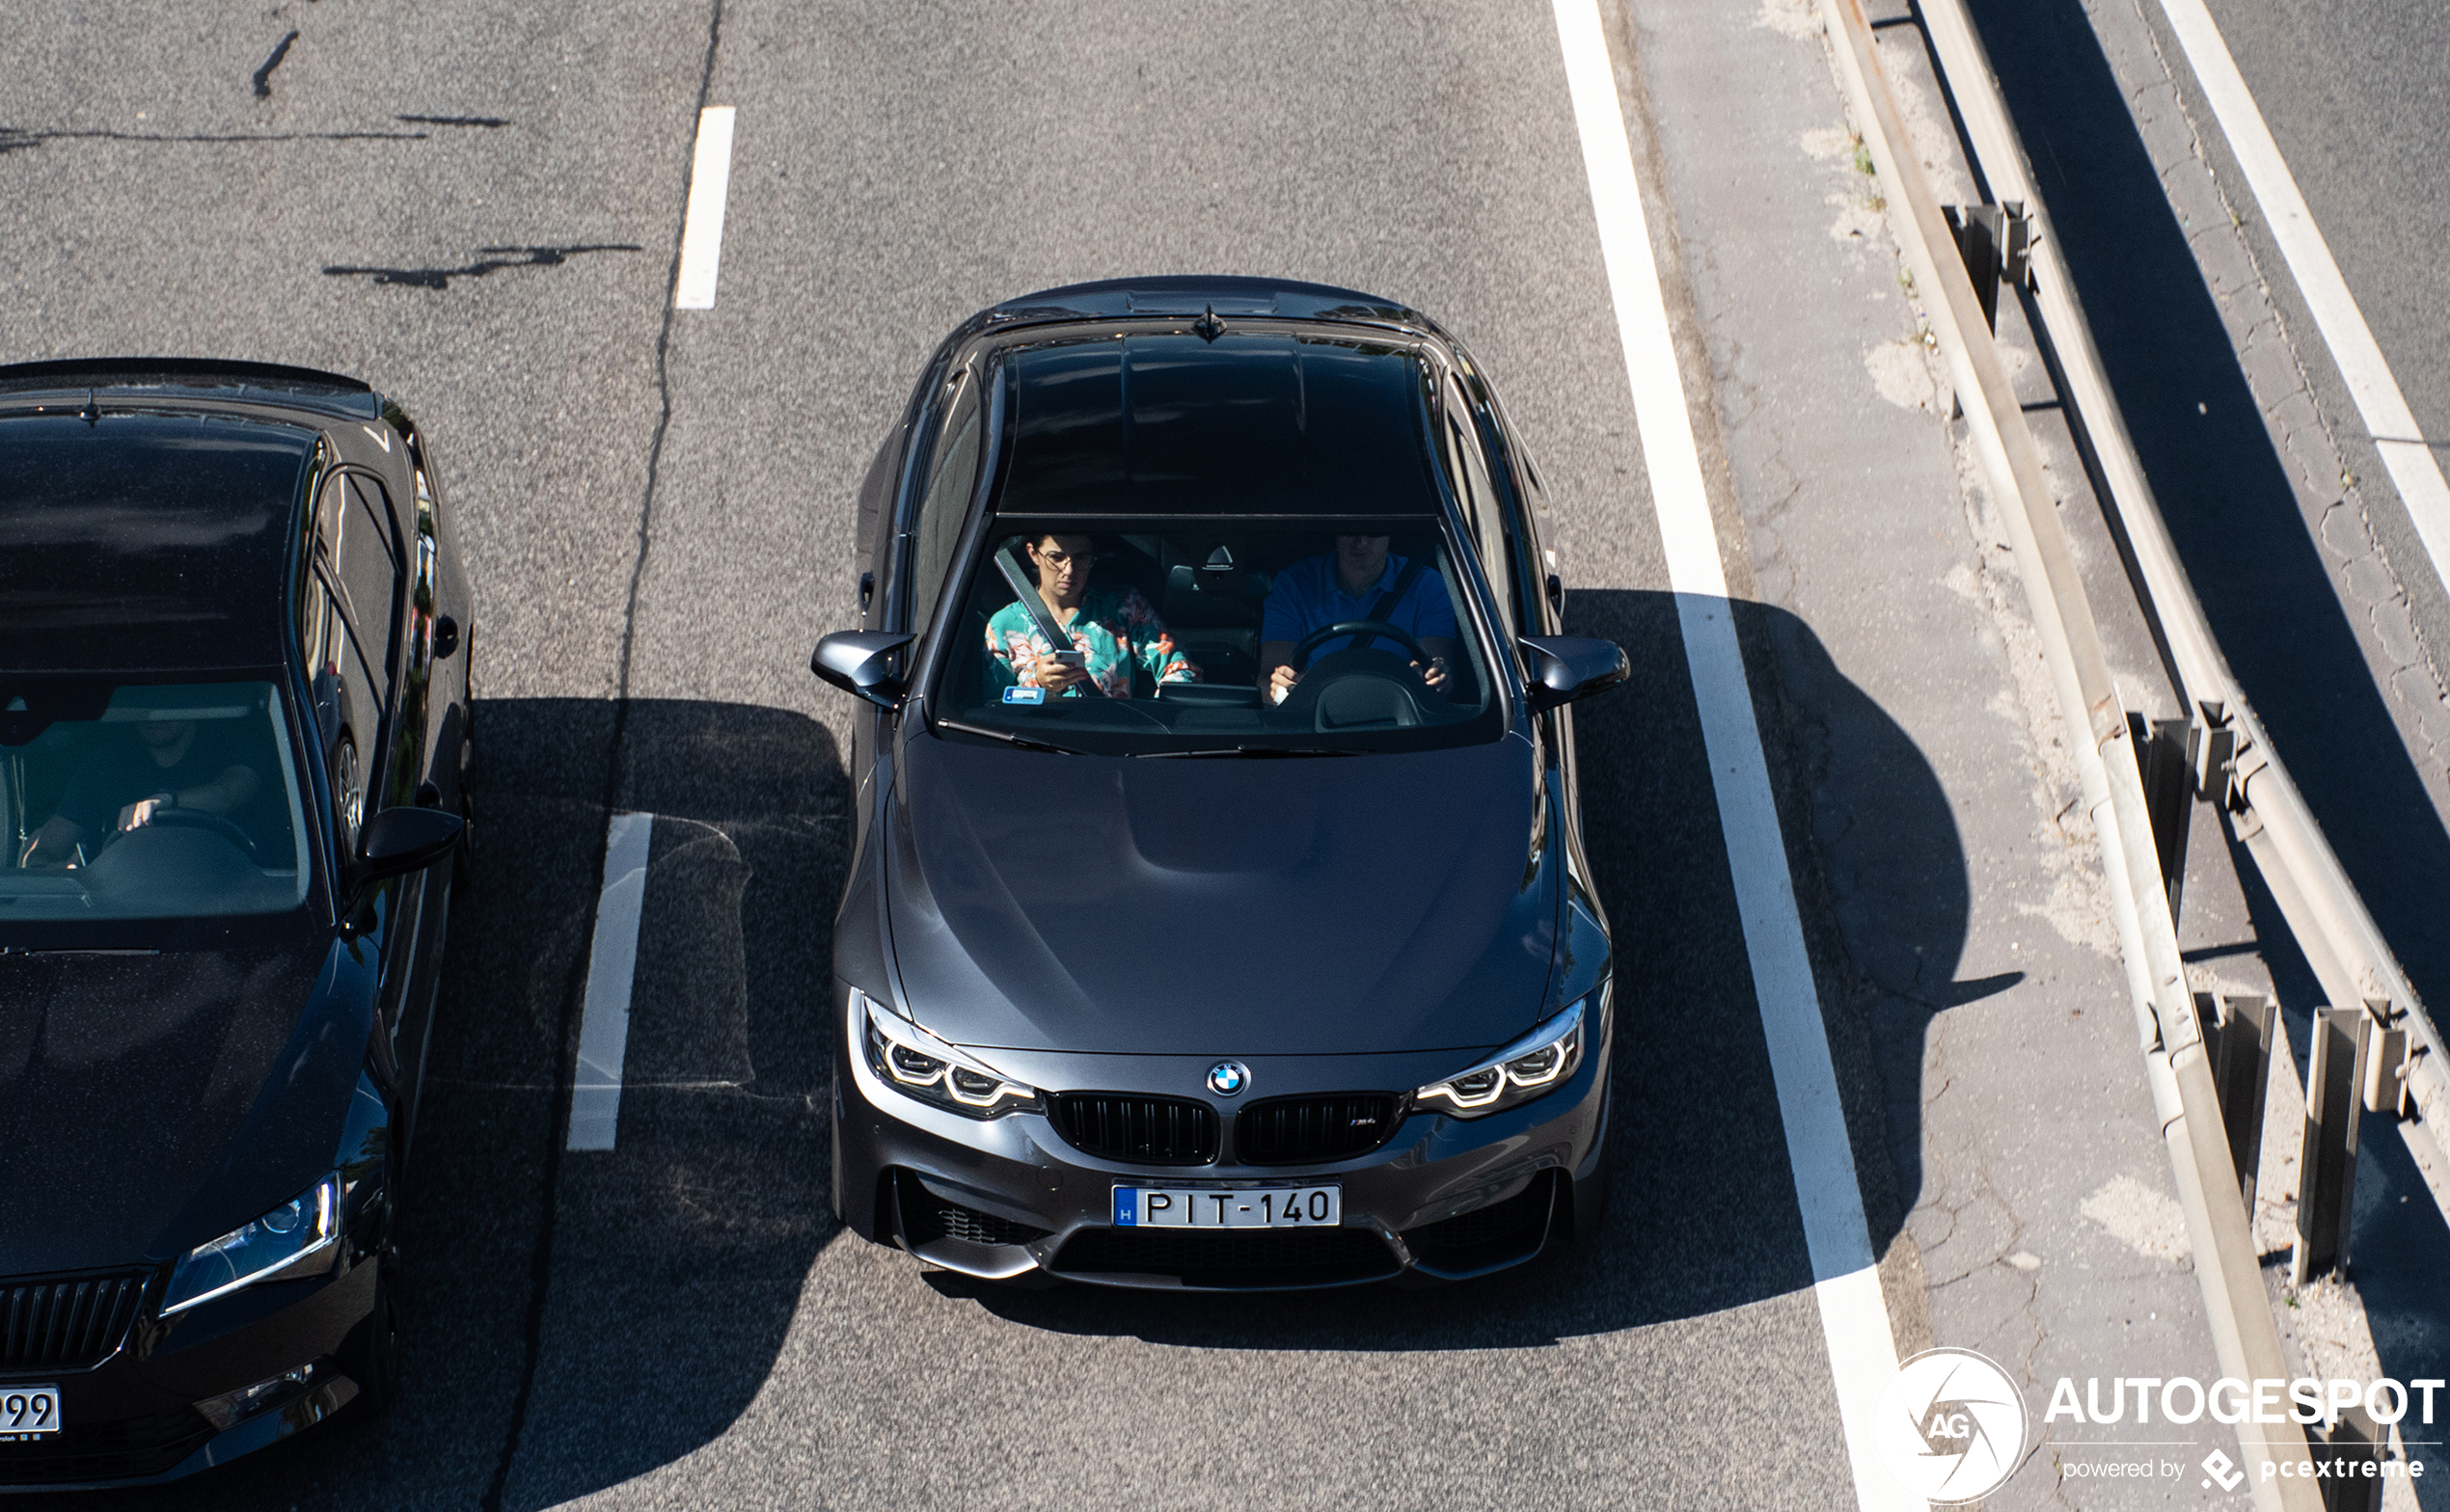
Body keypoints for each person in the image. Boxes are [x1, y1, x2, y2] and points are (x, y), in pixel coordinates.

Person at [21, 714, 262, 867]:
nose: (154, 712)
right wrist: (60, 870)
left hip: (222, 902)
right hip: (120, 913)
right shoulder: (107, 766)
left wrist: (166, 801)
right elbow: (41, 854)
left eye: (168, 700)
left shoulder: (229, 747)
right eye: (144, 701)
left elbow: (229, 792)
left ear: (193, 700)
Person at [984, 533, 1200, 699]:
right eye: (1056, 558)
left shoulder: (1124, 606)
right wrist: (1038, 683)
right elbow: (991, 707)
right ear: (1033, 554)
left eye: (1081, 558)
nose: (1068, 570)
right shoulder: (1003, 625)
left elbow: (1180, 667)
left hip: (1111, 745)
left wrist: (1157, 720)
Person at [1260, 534, 1461, 704]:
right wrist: (1281, 687)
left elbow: (1435, 668)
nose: (1361, 540)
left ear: (1390, 530)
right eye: (1351, 528)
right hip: (1314, 724)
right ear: (1336, 529)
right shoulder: (1294, 585)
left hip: (1400, 723)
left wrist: (1435, 678)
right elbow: (1270, 678)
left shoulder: (1428, 586)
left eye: (1373, 530)